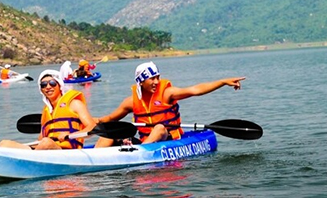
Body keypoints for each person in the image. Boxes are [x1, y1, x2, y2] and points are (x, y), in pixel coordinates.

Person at [95, 61, 245, 146]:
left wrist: (222, 82)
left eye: (157, 77)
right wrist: (95, 122)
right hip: (145, 141)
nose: (156, 82)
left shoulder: (167, 93)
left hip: (168, 139)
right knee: (109, 133)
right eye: (152, 79)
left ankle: (141, 151)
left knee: (159, 128)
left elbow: (195, 90)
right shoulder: (131, 102)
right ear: (141, 82)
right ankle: (91, 157)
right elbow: (109, 119)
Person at [0, 70, 98, 150]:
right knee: (4, 144)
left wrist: (71, 135)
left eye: (52, 83)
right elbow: (41, 139)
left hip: (67, 151)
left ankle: (30, 162)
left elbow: (92, 127)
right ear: (41, 89)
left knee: (47, 143)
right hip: (45, 150)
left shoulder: (74, 104)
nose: (48, 87)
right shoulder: (46, 112)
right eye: (44, 85)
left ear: (60, 86)